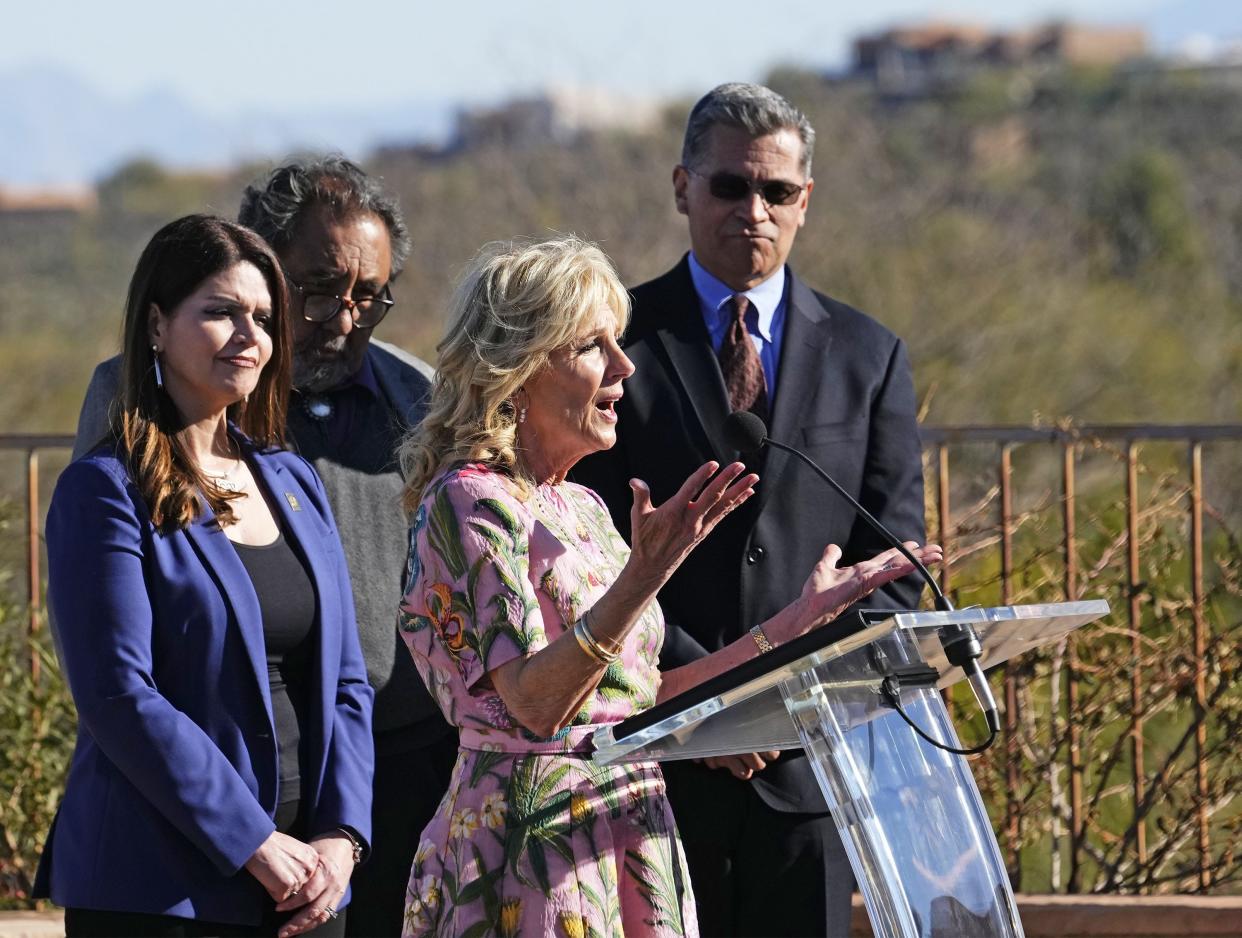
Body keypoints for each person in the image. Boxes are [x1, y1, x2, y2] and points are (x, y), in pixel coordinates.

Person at [394, 236, 939, 937]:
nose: (624, 366)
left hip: (630, 828)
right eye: (593, 347)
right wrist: (647, 573)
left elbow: (638, 702)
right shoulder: (469, 503)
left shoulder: (581, 507)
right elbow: (536, 707)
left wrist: (792, 627)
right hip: (531, 853)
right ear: (520, 367)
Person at [572, 83, 929, 936]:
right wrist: (709, 707)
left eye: (776, 192)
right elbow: (581, 542)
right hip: (652, 763)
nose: (753, 211)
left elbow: (895, 563)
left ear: (805, 201)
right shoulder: (611, 339)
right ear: (683, 187)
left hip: (808, 772)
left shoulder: (869, 354)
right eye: (731, 186)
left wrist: (782, 699)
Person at [71, 158, 457, 937]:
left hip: (380, 779)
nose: (342, 317)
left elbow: (352, 663)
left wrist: (343, 835)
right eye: (316, 290)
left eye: (368, 297)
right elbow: (114, 675)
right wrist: (253, 838)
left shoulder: (416, 401)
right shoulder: (126, 425)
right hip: (195, 808)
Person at [36, 214, 373, 937]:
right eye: (220, 312)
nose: (249, 335)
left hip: (308, 886)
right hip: (162, 890)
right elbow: (119, 694)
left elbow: (345, 679)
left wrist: (342, 839)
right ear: (156, 326)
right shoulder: (104, 490)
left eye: (261, 317)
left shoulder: (292, 480)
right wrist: (253, 843)